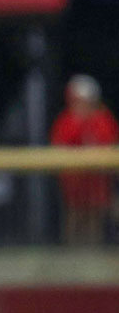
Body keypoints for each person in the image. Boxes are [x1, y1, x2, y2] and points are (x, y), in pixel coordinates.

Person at [50, 74, 119, 245]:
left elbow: (110, 145)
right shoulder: (66, 120)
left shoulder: (103, 119)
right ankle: (73, 252)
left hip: (98, 180)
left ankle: (93, 252)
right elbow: (59, 146)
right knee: (75, 216)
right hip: (74, 181)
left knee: (95, 217)